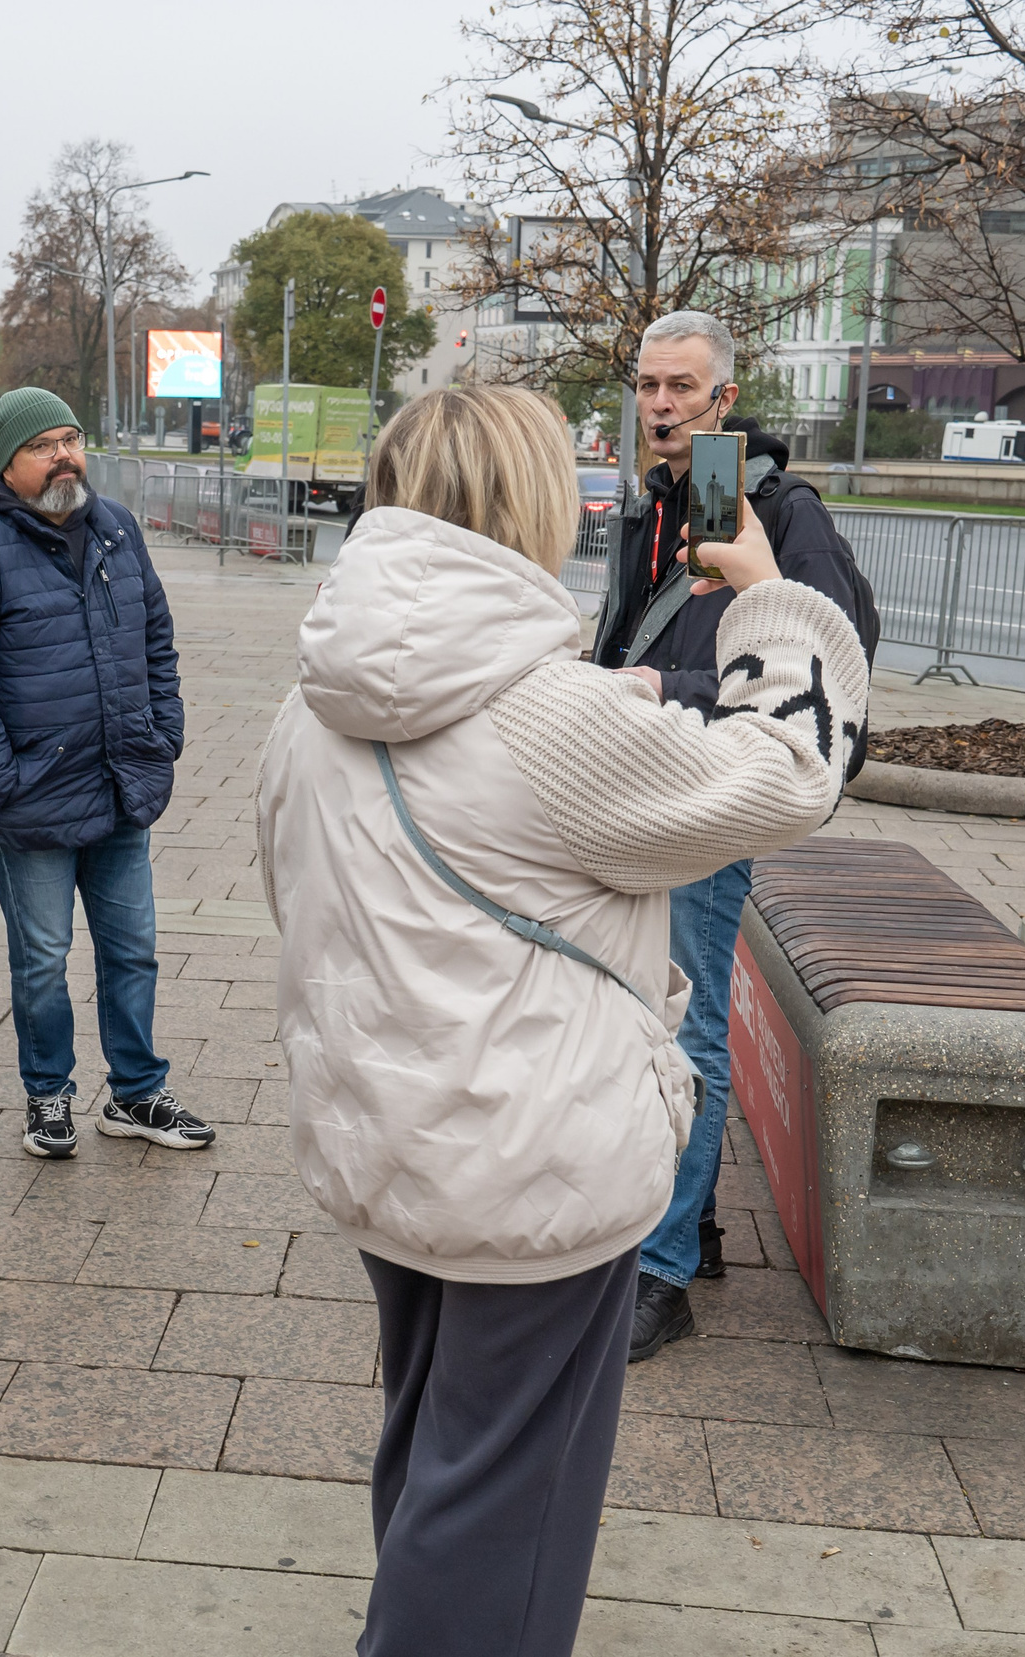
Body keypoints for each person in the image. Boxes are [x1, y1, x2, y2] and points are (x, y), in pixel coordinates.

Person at [258, 384, 868, 1657]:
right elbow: (790, 775)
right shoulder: (552, 720)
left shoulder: (310, 702)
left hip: (389, 1139)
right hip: (532, 1163)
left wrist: (619, 716)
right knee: (506, 1515)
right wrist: (766, 599)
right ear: (530, 506)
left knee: (439, 1455)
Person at [591, 310, 880, 1362]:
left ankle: (660, 1274)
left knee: (688, 1022)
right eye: (646, 385)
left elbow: (827, 648)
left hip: (710, 785)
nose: (658, 405)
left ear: (724, 397)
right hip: (648, 777)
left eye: (680, 388)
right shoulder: (664, 501)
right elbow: (636, 623)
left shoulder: (770, 508)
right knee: (648, 1010)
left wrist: (671, 683)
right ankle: (683, 1218)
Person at [0, 386, 211, 1159]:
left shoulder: (115, 528)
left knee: (133, 948)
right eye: (43, 446)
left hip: (122, 782)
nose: (65, 456)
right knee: (43, 960)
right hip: (34, 801)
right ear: (7, 463)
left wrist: (162, 733)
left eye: (72, 439)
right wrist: (4, 775)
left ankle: (138, 1093)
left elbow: (157, 640)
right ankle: (48, 1096)